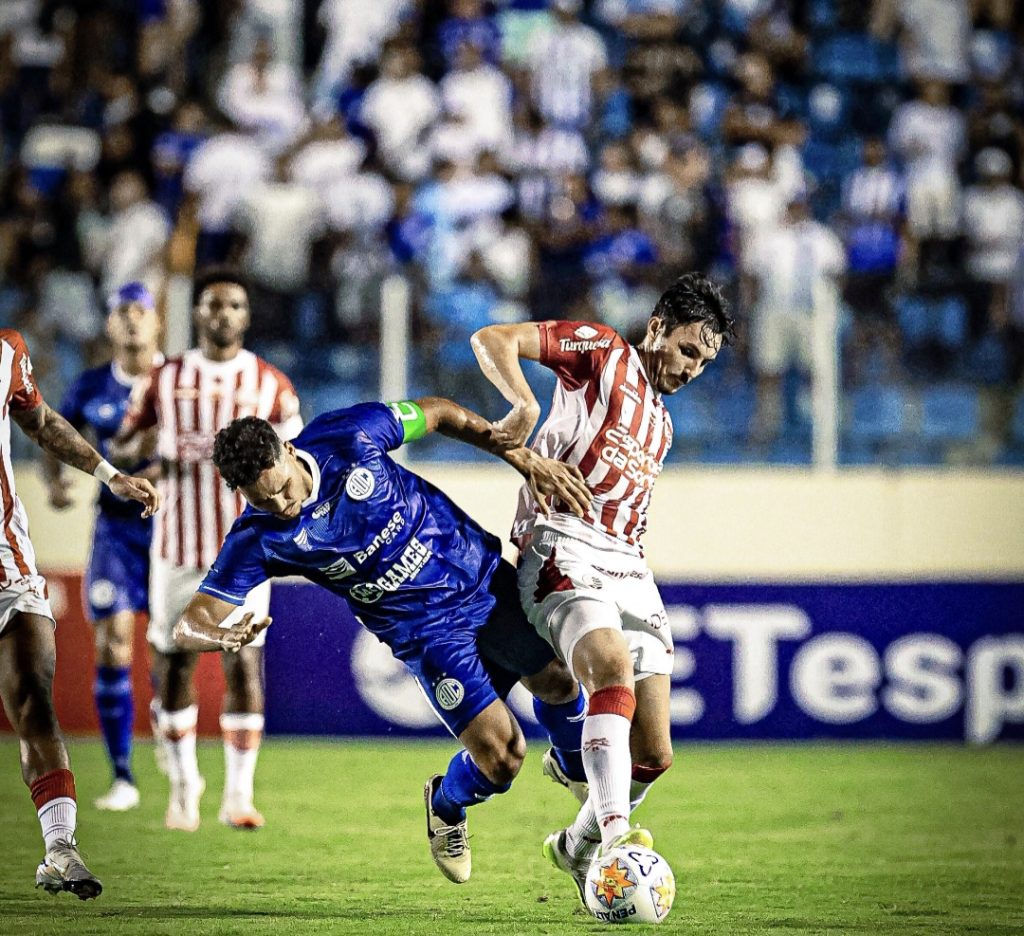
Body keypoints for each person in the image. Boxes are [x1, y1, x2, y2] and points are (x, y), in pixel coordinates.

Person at [170, 397, 594, 884]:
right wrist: (220, 633)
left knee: (559, 680)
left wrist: (511, 452)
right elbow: (188, 623)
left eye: (282, 489)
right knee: (503, 759)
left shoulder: (347, 435)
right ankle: (445, 803)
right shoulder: (258, 538)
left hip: (480, 580)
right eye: (262, 501)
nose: (282, 507)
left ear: (288, 450)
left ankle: (576, 770)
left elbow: (436, 413)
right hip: (428, 634)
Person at [470, 272, 735, 901]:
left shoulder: (663, 427)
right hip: (561, 541)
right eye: (689, 349)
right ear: (657, 329)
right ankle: (616, 839)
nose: (694, 368)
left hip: (627, 565)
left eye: (706, 360)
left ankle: (576, 845)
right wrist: (524, 405)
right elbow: (493, 337)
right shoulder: (602, 352)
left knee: (655, 752)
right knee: (608, 665)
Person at [115, 267, 302, 832]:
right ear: (197, 313)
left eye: (234, 306)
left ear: (246, 316)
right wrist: (147, 455)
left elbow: (296, 459)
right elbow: (122, 444)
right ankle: (182, 787)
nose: (223, 314)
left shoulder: (271, 383)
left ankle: (238, 795)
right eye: (213, 305)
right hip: (175, 545)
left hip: (246, 549)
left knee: (245, 662)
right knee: (173, 664)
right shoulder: (164, 377)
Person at [0, 329, 159, 898]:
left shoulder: (8, 352)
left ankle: (60, 847)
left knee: (32, 695)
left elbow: (42, 423)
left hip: (6, 564)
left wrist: (110, 475)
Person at [44, 283, 163, 811]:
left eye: (141, 311)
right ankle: (122, 776)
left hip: (170, 530)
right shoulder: (93, 384)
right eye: (122, 312)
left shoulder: (177, 380)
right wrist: (54, 481)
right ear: (109, 325)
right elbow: (50, 428)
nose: (132, 321)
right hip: (115, 530)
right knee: (113, 641)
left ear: (158, 322)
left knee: (167, 647)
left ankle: (171, 736)